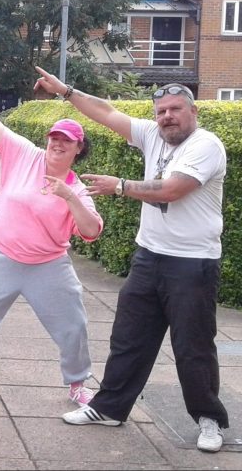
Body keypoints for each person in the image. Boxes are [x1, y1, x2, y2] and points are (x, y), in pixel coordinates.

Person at [34, 67, 228, 453]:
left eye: (175, 109)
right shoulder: (153, 135)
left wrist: (120, 187)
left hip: (192, 264)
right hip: (149, 256)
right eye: (161, 112)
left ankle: (209, 419)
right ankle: (109, 408)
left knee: (193, 346)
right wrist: (66, 91)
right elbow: (105, 112)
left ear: (193, 112)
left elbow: (172, 190)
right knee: (128, 338)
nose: (167, 117)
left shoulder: (206, 146)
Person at [0, 71, 103, 407]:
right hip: (1, 256)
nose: (57, 144)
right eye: (54, 138)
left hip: (49, 265)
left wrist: (68, 197)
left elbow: (91, 230)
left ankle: (77, 384)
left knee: (73, 327)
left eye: (66, 141)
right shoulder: (24, 155)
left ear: (78, 148)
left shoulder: (77, 189)